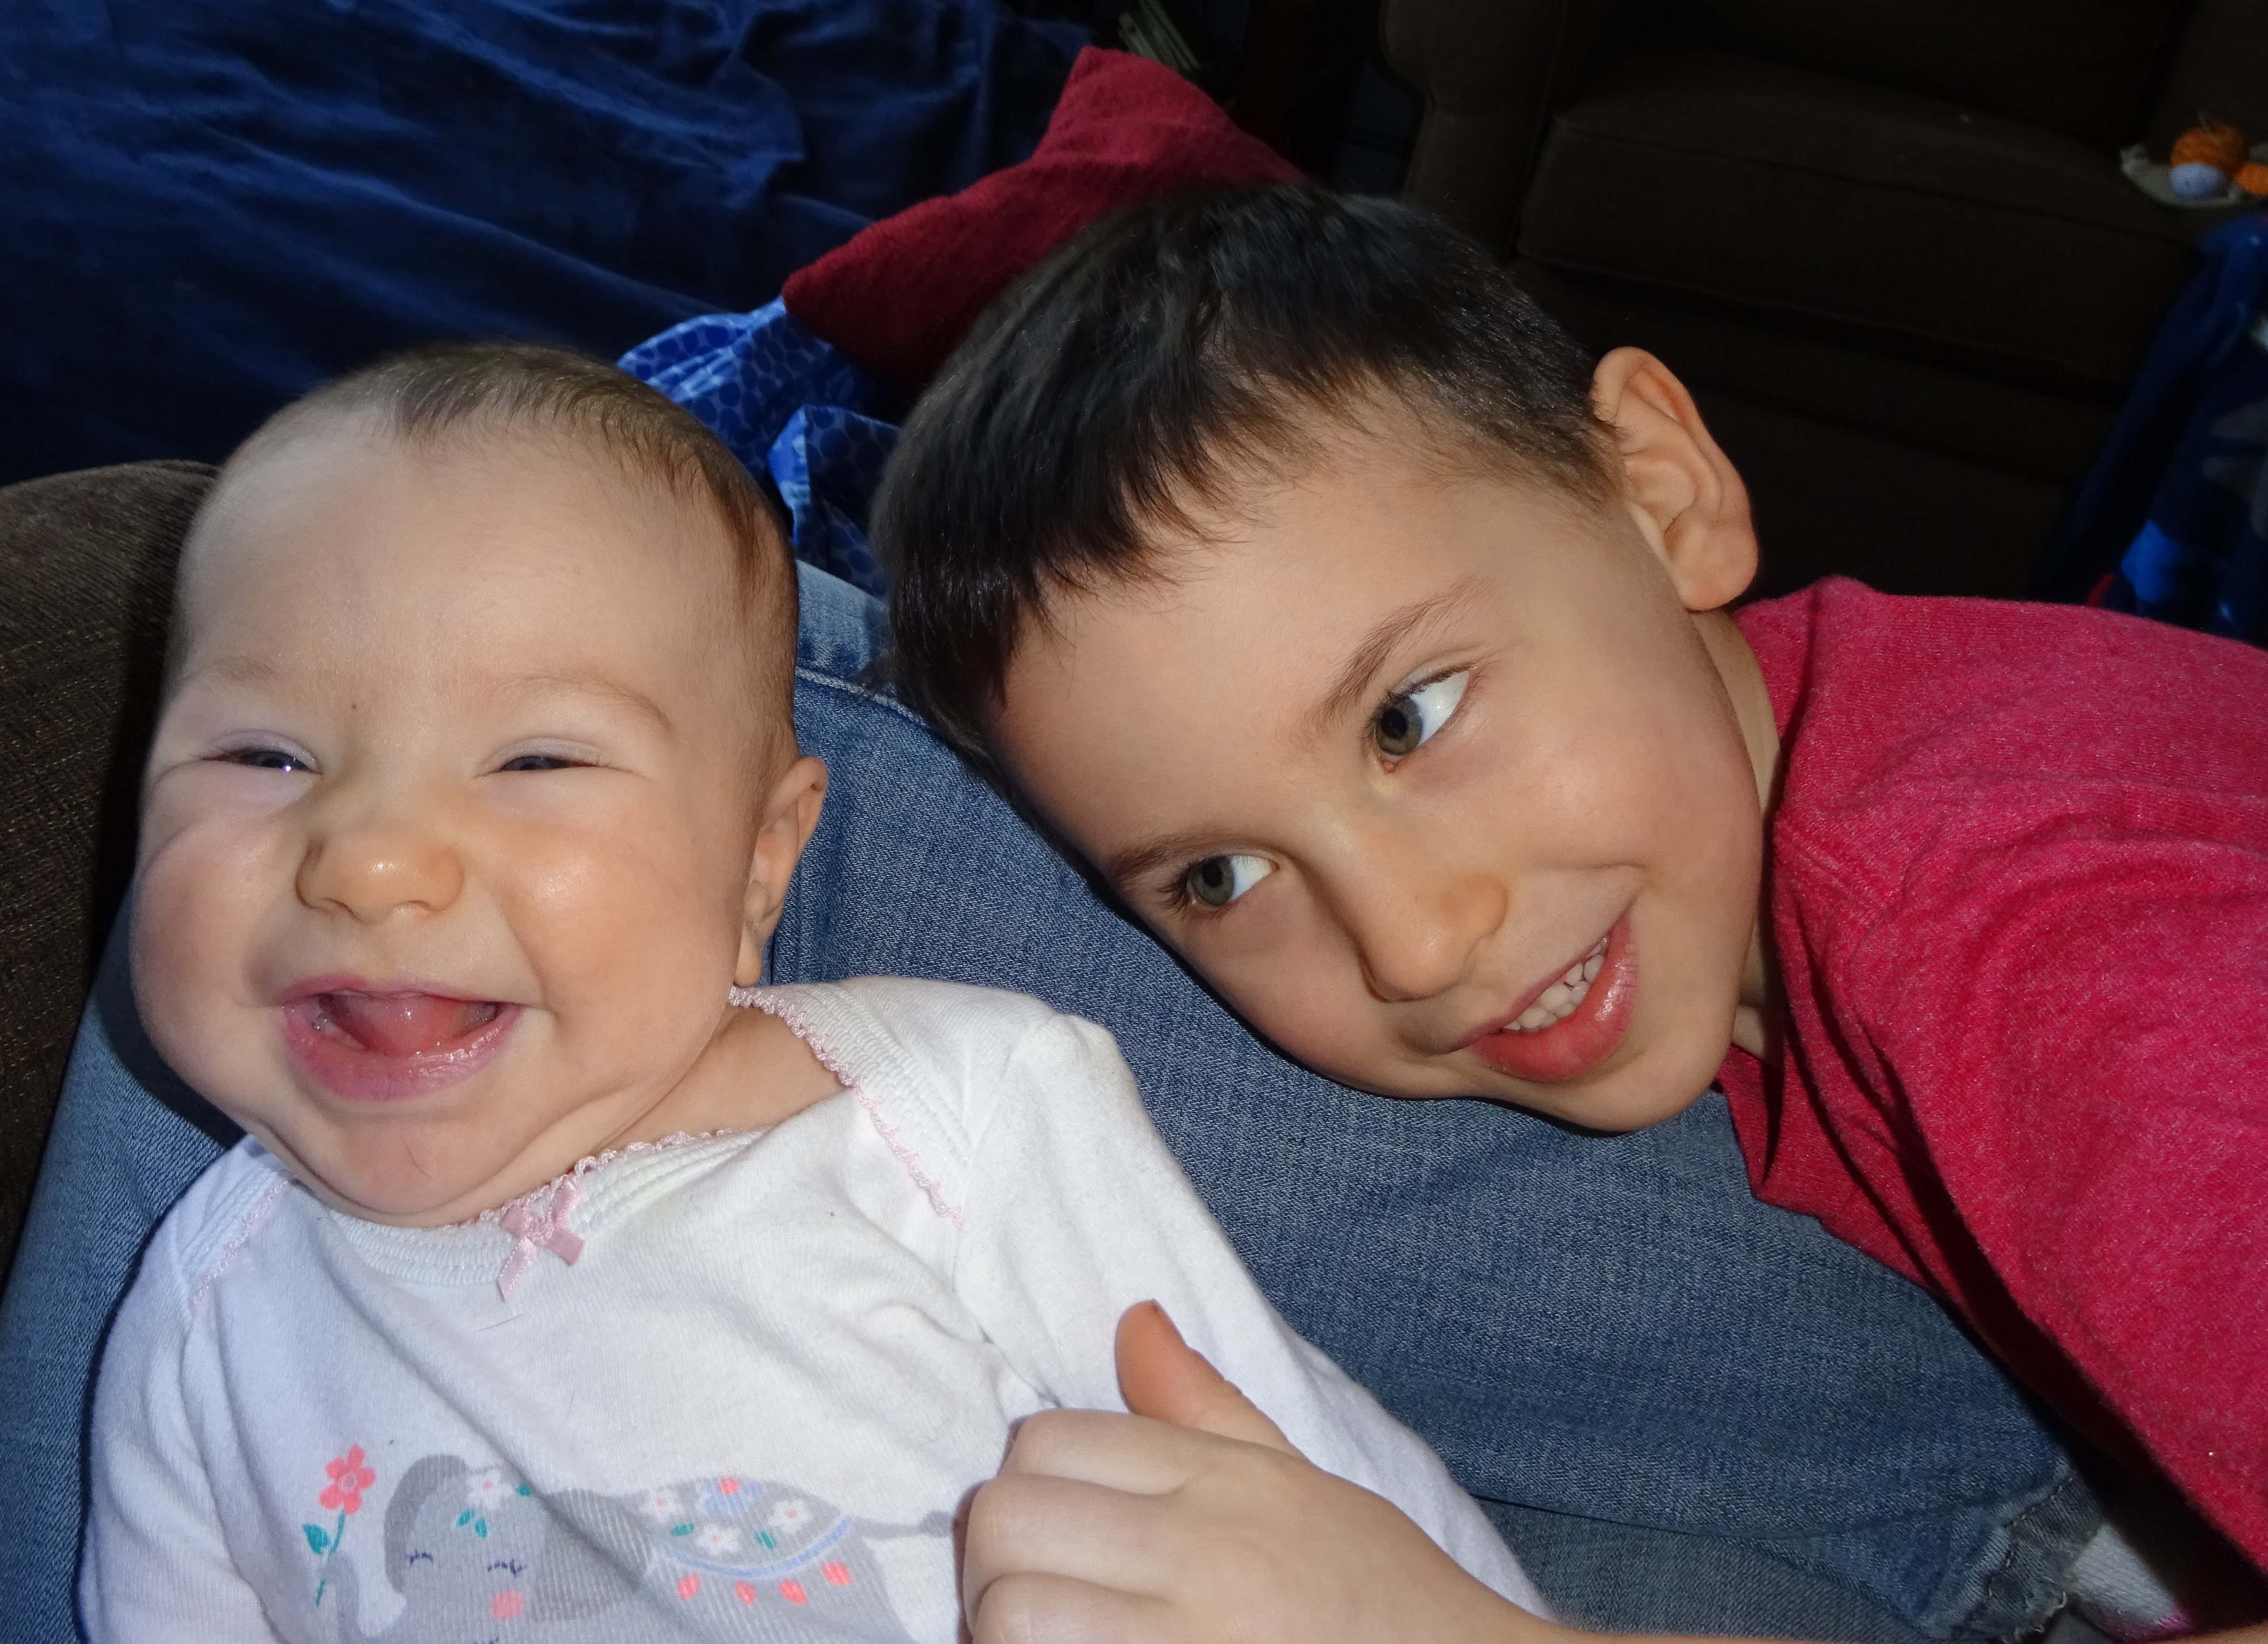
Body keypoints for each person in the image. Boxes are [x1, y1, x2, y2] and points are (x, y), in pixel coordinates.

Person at [873, 187, 2268, 1641]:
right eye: (1219, 876)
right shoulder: (1762, 818)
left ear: (1662, 494)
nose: (1412, 943)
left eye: (1409, 716)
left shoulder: (2039, 949)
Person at [75, 339, 1547, 1641]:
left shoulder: (958, 1116)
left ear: (758, 868)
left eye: (536, 760)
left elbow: (1315, 1506)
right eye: (263, 755)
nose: (370, 861)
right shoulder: (206, 1317)